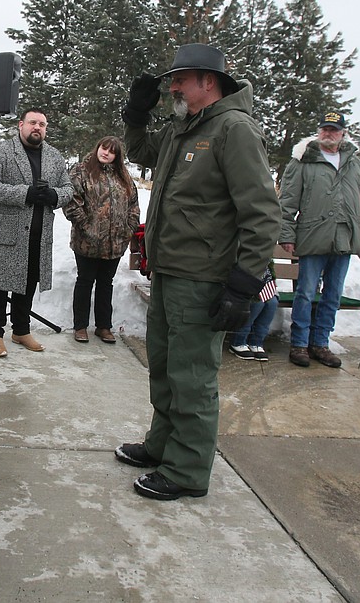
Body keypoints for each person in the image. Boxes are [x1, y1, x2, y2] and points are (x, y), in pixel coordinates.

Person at [114, 43, 280, 501]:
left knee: (192, 374)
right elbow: (144, 151)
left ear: (208, 81)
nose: (172, 87)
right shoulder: (186, 127)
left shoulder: (233, 129)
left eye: (180, 79)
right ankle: (163, 445)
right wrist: (136, 114)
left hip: (203, 276)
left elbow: (262, 212)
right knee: (165, 367)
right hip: (170, 269)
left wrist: (244, 282)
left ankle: (187, 470)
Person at [278, 112, 360, 368]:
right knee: (305, 293)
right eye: (325, 129)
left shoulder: (354, 164)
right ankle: (299, 344)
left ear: (343, 133)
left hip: (344, 239)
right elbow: (287, 203)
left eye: (334, 130)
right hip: (313, 237)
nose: (329, 134)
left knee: (332, 294)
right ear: (318, 131)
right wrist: (286, 234)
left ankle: (320, 343)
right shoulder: (302, 161)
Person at [0, 108, 74, 358]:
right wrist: (25, 193)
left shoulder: (54, 156)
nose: (37, 128)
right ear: (21, 124)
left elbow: (68, 189)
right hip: (8, 233)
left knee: (28, 283)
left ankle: (21, 330)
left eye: (42, 124)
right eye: (33, 122)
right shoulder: (3, 151)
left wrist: (55, 196)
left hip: (39, 233)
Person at [62, 135, 141, 344]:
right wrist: (86, 227)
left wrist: (128, 230)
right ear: (97, 148)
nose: (106, 153)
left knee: (106, 283)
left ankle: (104, 327)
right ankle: (80, 326)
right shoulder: (81, 171)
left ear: (117, 156)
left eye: (112, 151)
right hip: (87, 242)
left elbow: (133, 205)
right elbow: (71, 202)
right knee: (85, 282)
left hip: (115, 243)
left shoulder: (123, 176)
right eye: (104, 148)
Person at [228, 267, 278, 362]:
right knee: (257, 303)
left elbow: (270, 275)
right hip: (246, 287)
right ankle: (238, 341)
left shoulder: (267, 258)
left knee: (272, 303)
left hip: (264, 286)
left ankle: (256, 342)